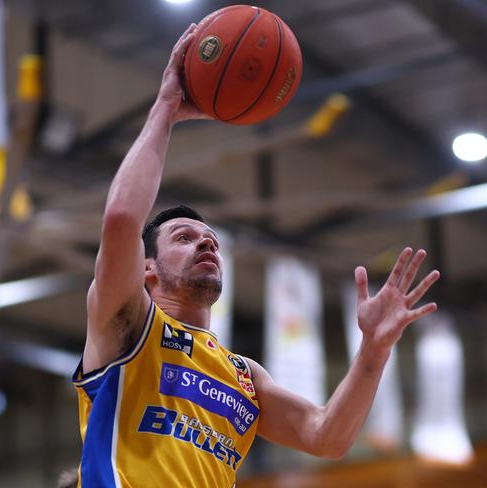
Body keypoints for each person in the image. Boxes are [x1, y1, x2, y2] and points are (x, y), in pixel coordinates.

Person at [72, 23, 440, 488]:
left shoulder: (244, 375)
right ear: (146, 270)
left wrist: (373, 350)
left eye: (212, 241)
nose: (206, 243)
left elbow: (326, 437)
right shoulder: (125, 325)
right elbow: (123, 217)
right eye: (184, 238)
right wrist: (166, 108)